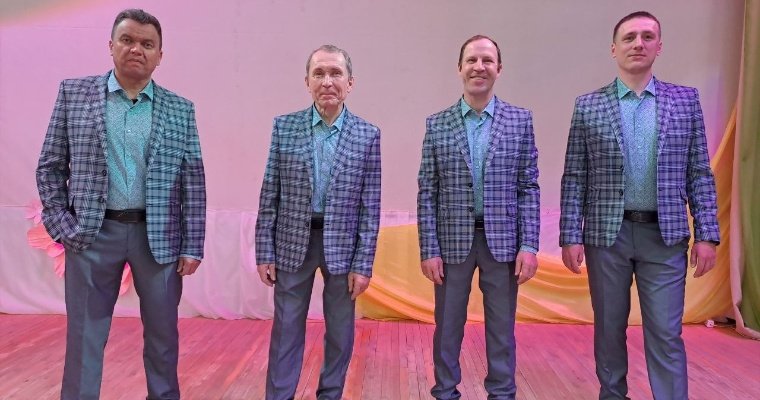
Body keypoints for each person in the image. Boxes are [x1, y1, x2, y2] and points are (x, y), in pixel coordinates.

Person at [35, 8, 206, 400]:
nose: (136, 49)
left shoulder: (180, 109)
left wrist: (193, 244)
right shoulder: (74, 95)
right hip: (92, 236)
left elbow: (193, 180)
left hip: (157, 239)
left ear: (160, 55)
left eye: (147, 44)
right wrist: (62, 225)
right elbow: (50, 166)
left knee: (163, 336)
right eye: (127, 40)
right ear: (111, 45)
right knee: (85, 336)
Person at [559, 11, 720, 400]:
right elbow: (575, 175)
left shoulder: (685, 101)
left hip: (664, 237)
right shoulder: (588, 106)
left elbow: (699, 171)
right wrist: (570, 234)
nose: (638, 44)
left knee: (665, 331)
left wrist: (707, 235)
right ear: (614, 49)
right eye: (629, 37)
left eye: (648, 36)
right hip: (606, 238)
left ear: (659, 47)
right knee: (609, 327)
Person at [254, 44, 381, 400]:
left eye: (336, 73)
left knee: (340, 332)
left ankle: (330, 393)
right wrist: (264, 250)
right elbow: (270, 192)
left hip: (344, 249)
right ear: (307, 81)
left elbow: (370, 206)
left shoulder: (368, 135)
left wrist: (364, 263)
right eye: (319, 73)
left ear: (350, 83)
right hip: (292, 243)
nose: (327, 81)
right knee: (286, 331)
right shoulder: (285, 128)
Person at [416, 35, 540, 400]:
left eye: (487, 60)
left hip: (503, 244)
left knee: (501, 329)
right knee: (447, 326)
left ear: (499, 69)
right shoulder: (437, 124)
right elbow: (428, 190)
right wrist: (429, 248)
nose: (479, 67)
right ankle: (444, 391)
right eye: (471, 60)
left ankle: (502, 393)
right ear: (460, 68)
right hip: (451, 244)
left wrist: (530, 244)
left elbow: (528, 186)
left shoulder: (520, 120)